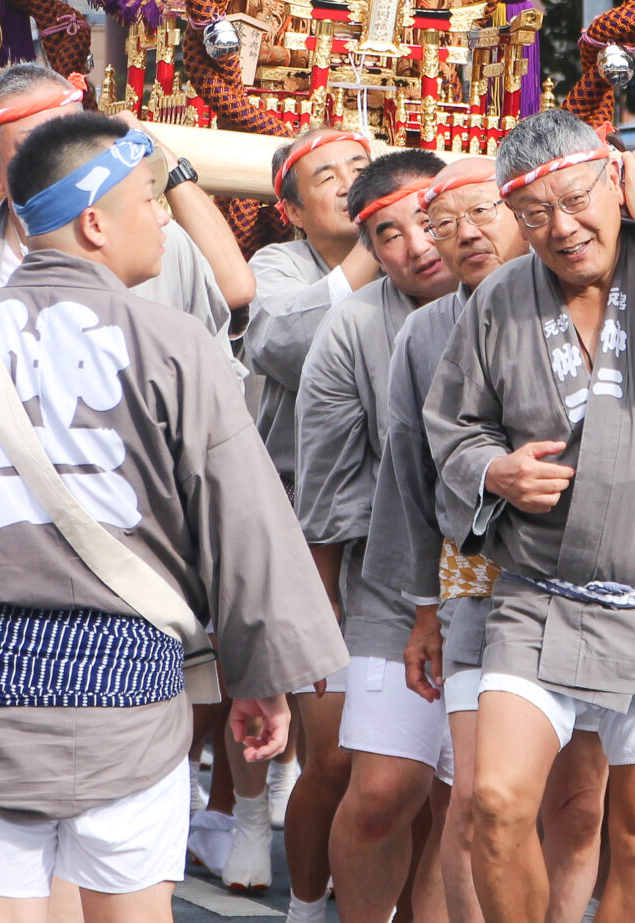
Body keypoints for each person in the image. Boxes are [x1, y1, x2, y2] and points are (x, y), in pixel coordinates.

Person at [0, 110, 348, 923]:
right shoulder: (177, 342)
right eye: (150, 200)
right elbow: (245, 523)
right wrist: (262, 673)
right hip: (127, 689)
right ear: (95, 220)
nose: (164, 216)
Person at [425, 111, 635, 923]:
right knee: (497, 803)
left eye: (577, 200)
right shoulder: (501, 297)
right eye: (534, 215)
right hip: (542, 593)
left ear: (614, 181)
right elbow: (453, 430)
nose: (563, 229)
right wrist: (493, 471)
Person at [367, 159, 606, 923]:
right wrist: (422, 605)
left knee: (579, 800)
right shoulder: (426, 331)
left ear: (520, 213)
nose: (465, 234)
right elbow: (406, 470)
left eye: (482, 213)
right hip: (476, 575)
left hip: (594, 574)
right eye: (445, 224)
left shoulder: (596, 296)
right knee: (477, 798)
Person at [295, 152, 457, 923]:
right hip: (388, 579)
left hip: (513, 582)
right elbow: (323, 490)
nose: (416, 244)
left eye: (427, 218)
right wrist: (321, 612)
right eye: (387, 233)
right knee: (380, 789)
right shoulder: (352, 327)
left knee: (470, 802)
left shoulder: (527, 295)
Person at [240, 124, 377, 894]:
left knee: (378, 747)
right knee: (310, 727)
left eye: (363, 167)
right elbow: (284, 345)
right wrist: (374, 248)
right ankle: (270, 844)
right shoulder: (276, 263)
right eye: (329, 175)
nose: (351, 181)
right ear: (291, 209)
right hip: (293, 518)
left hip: (382, 525)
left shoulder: (408, 264)